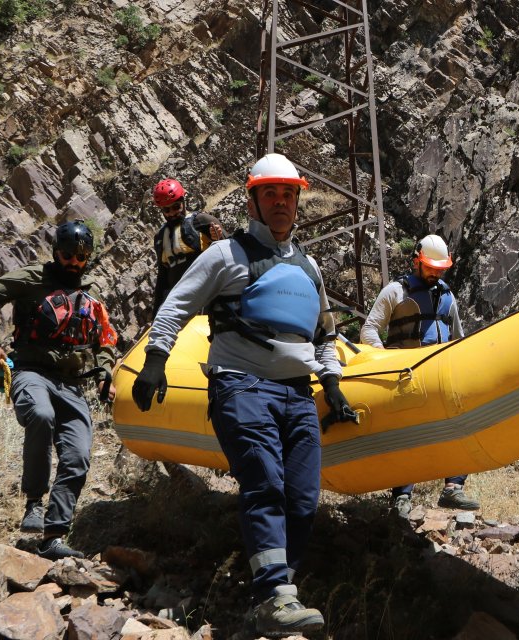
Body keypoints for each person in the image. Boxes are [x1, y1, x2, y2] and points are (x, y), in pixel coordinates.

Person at [131, 153, 357, 636]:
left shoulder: (309, 266)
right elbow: (175, 306)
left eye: (288, 193)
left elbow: (324, 336)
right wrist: (155, 359)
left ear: (298, 201)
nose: (281, 202)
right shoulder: (223, 255)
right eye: (270, 193)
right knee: (265, 483)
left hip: (297, 393)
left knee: (302, 499)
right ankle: (276, 595)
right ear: (252, 201)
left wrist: (333, 385)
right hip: (241, 384)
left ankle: (272, 596)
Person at [0, 221, 119, 561]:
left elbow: (105, 337)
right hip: (30, 372)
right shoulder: (33, 278)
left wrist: (104, 374)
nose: (74, 262)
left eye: (81, 257)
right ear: (56, 252)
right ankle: (34, 503)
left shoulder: (90, 291)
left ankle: (53, 537)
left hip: (72, 384)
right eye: (68, 255)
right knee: (40, 414)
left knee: (77, 455)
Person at [359, 234, 480, 518]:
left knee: (458, 426)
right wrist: (387, 360)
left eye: (440, 269)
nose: (436, 273)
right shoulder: (395, 292)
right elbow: (369, 330)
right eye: (430, 267)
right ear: (417, 261)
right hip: (407, 377)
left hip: (440, 376)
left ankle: (453, 487)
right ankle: (401, 496)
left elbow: (458, 338)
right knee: (407, 437)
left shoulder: (448, 296)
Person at [151, 178, 225, 314]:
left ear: (184, 202)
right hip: (180, 305)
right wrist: (156, 314)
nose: (172, 213)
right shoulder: (160, 238)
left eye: (176, 207)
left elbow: (229, 251)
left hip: (210, 298)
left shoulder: (203, 221)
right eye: (166, 210)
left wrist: (219, 238)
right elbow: (162, 278)